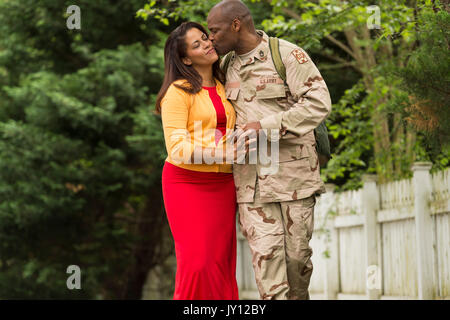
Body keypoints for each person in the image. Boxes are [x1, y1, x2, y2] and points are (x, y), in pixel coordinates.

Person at [207, 1, 332, 300]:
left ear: (236, 24)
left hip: (294, 181)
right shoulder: (224, 66)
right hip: (252, 186)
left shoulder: (286, 54)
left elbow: (318, 102)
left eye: (215, 31)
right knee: (268, 266)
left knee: (297, 263)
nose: (211, 38)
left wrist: (265, 127)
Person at [155, 21, 254, 300]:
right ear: (186, 58)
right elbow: (177, 147)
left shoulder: (228, 84)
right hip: (186, 182)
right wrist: (223, 153)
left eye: (204, 38)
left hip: (223, 184)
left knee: (219, 263)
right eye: (196, 45)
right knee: (196, 264)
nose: (207, 44)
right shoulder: (177, 92)